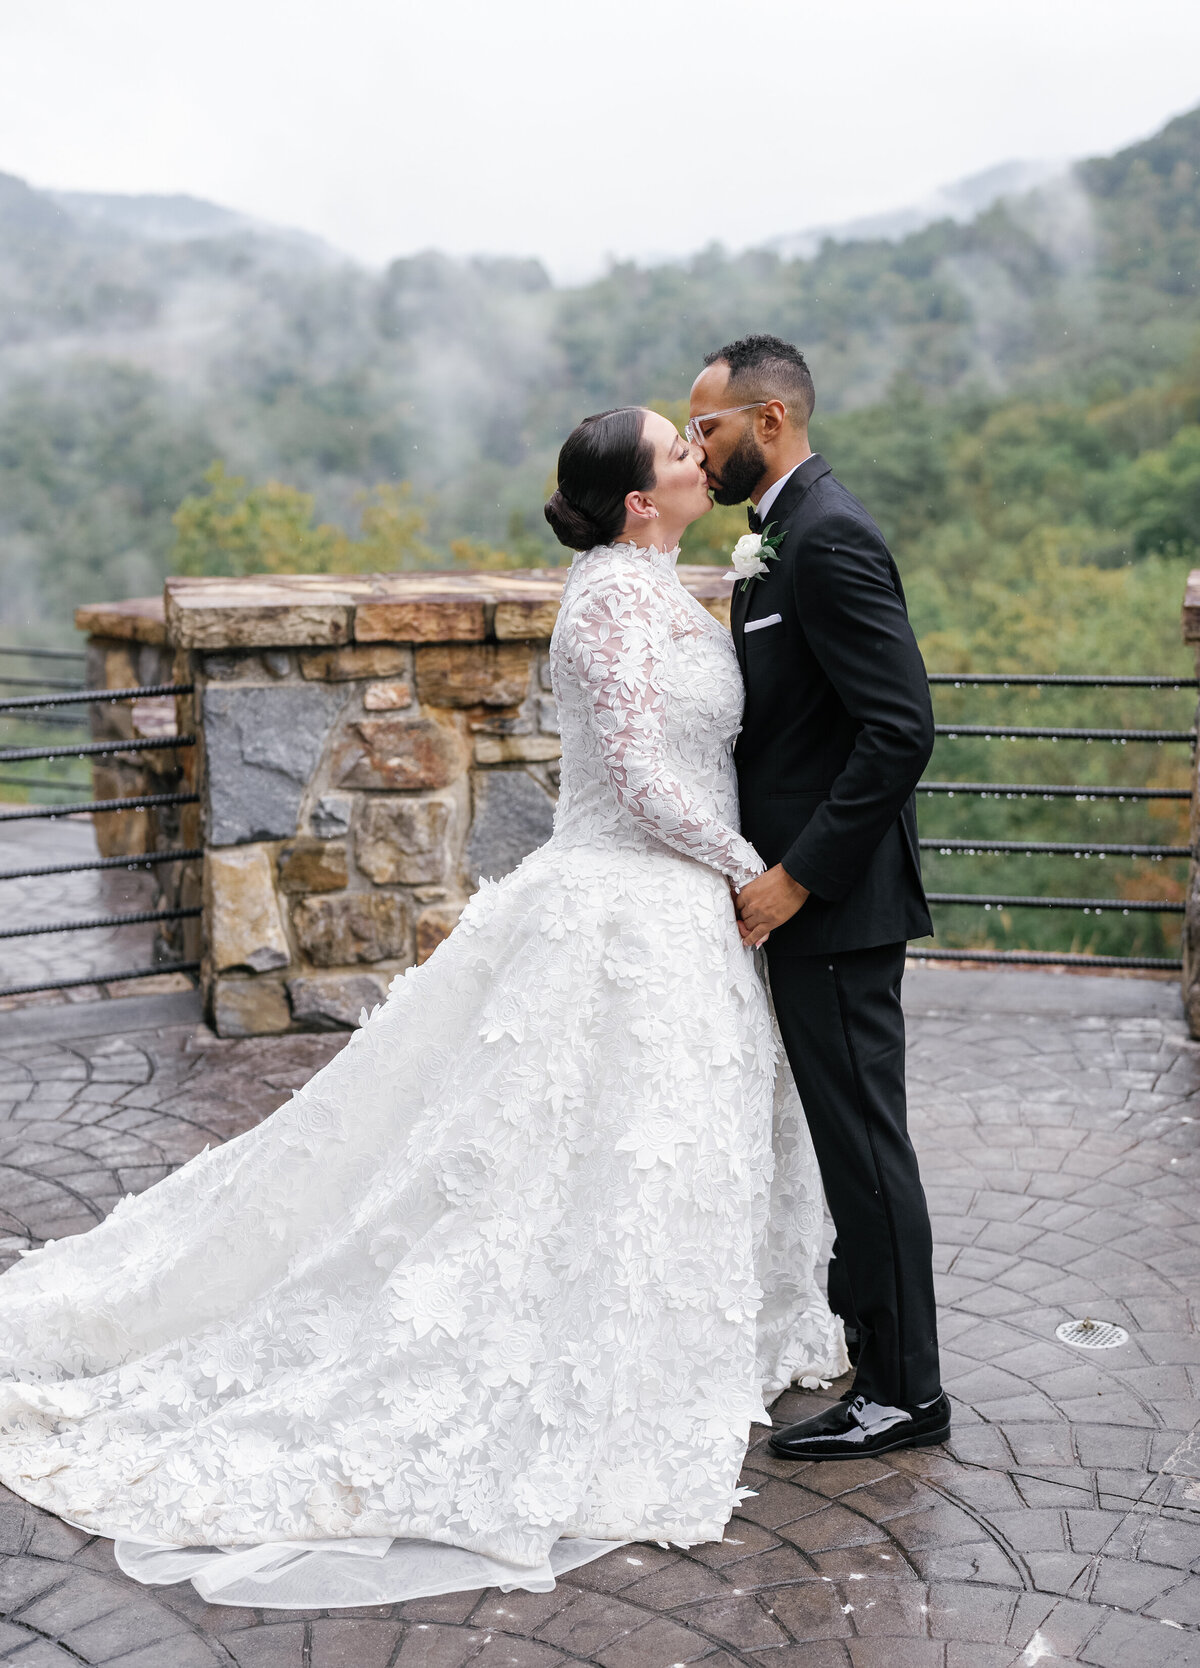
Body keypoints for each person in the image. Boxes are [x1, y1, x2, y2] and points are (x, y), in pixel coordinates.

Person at [0, 404, 845, 1609]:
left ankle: (659, 1339)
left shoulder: (666, 581)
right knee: (530, 1158)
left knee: (633, 1151)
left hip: (676, 919)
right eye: (675, 449)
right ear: (638, 500)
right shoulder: (606, 598)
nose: (696, 455)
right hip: (629, 899)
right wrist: (744, 865)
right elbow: (643, 776)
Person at [688, 335, 950, 1460]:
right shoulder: (776, 536)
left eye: (708, 427)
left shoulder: (830, 537)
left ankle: (906, 1393)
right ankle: (877, 1358)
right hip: (803, 903)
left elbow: (902, 728)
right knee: (847, 1146)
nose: (698, 448)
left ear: (771, 422)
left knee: (866, 1148)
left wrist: (796, 878)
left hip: (834, 906)